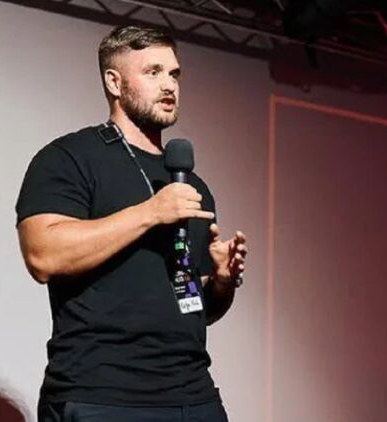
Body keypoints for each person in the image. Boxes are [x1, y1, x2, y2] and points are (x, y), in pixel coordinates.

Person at [15, 25, 247, 421]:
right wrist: (151, 213)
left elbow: (196, 307)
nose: (169, 85)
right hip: (102, 395)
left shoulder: (190, 186)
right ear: (114, 82)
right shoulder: (70, 158)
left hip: (193, 395)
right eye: (153, 72)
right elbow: (43, 256)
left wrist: (222, 282)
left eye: (174, 74)